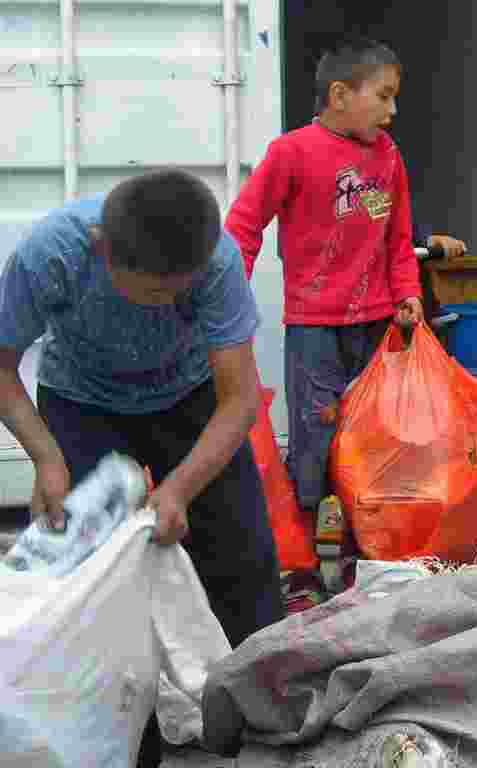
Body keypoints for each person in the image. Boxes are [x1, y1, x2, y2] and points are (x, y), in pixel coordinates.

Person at [0, 168, 285, 766]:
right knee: (84, 577)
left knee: (244, 561)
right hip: (81, 402)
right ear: (103, 249)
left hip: (191, 398)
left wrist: (179, 488)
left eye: (178, 293)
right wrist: (47, 457)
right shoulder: (50, 254)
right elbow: (1, 367)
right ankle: (121, 738)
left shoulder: (216, 261)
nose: (169, 304)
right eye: (155, 294)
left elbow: (238, 400)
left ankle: (257, 731)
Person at [225, 36, 425, 532]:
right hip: (315, 325)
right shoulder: (292, 152)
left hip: (377, 321)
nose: (392, 110)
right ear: (339, 95)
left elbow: (397, 237)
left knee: (374, 430)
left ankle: (366, 535)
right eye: (382, 96)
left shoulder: (389, 158)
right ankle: (311, 538)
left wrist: (408, 293)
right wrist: (225, 298)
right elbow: (244, 226)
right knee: (317, 428)